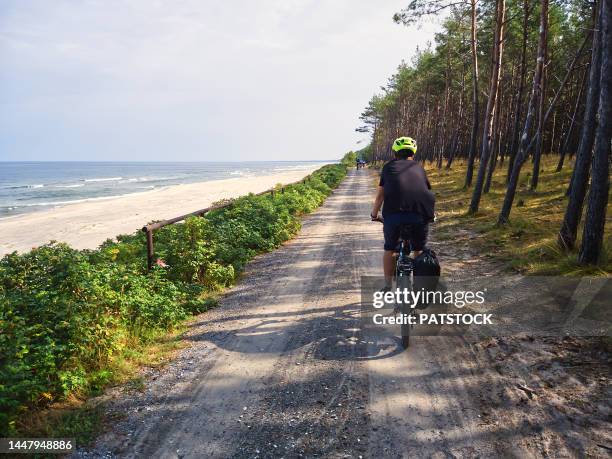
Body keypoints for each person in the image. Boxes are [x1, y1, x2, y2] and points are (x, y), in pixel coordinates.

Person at [370, 136, 435, 289]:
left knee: (390, 248)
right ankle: (420, 287)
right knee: (418, 249)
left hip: (393, 216)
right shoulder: (419, 167)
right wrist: (430, 215)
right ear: (413, 153)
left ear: (395, 153)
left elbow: (380, 195)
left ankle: (387, 285)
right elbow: (424, 192)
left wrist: (374, 214)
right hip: (419, 215)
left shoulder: (388, 167)